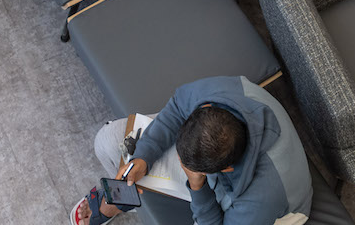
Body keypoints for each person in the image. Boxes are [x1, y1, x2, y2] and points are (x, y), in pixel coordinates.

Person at [74, 75, 312, 225]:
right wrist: (144, 157)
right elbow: (177, 107)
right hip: (227, 161)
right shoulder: (215, 93)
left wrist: (197, 187)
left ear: (225, 169)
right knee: (108, 139)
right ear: (204, 108)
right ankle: (120, 200)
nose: (179, 162)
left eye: (186, 166)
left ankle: (117, 201)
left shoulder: (261, 198)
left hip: (271, 208)